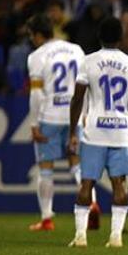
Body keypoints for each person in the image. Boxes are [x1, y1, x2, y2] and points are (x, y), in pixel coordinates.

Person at [68, 18, 128, 248]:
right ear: (120, 38)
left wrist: (73, 131)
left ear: (99, 37)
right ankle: (116, 236)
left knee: (86, 184)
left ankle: (81, 236)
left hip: (94, 132)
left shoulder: (88, 61)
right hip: (120, 131)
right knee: (119, 183)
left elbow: (78, 98)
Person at [25, 15, 100, 231]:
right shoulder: (76, 50)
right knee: (77, 163)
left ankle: (47, 218)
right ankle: (92, 202)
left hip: (49, 115)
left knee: (45, 168)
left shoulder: (36, 56)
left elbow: (36, 93)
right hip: (74, 115)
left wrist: (33, 123)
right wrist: (85, 112)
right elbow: (85, 83)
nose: (31, 40)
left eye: (31, 35)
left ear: (39, 35)